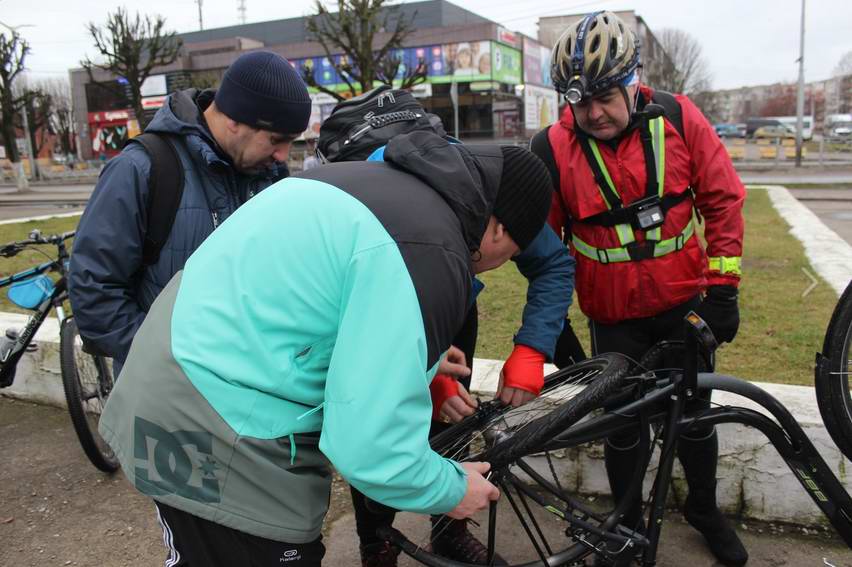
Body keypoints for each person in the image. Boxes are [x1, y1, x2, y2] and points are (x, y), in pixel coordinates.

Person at [97, 130, 556, 566]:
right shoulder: (434, 251)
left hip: (164, 380)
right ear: (498, 229)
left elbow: (317, 303)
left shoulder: (373, 182)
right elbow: (368, 447)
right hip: (221, 429)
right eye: (514, 253)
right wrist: (452, 490)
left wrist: (425, 362)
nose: (503, 264)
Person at [316, 90, 575, 566]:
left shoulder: (493, 187)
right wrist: (423, 375)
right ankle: (377, 542)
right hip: (372, 306)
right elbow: (358, 378)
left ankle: (449, 529)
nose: (506, 260)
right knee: (382, 417)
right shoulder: (373, 201)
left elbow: (554, 264)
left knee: (452, 421)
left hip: (449, 301)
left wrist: (533, 347)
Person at [533, 11, 747, 567]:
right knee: (623, 425)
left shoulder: (678, 116)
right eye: (580, 102)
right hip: (614, 319)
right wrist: (552, 327)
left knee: (695, 418)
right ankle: (625, 526)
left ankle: (703, 508)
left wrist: (723, 291)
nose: (594, 114)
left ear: (633, 80)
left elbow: (723, 199)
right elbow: (543, 249)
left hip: (685, 306)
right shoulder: (551, 148)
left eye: (605, 97)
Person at [69, 51, 312, 373]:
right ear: (234, 120)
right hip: (168, 394)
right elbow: (94, 288)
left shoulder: (271, 175)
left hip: (254, 388)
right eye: (276, 140)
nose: (283, 156)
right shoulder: (140, 169)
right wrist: (167, 360)